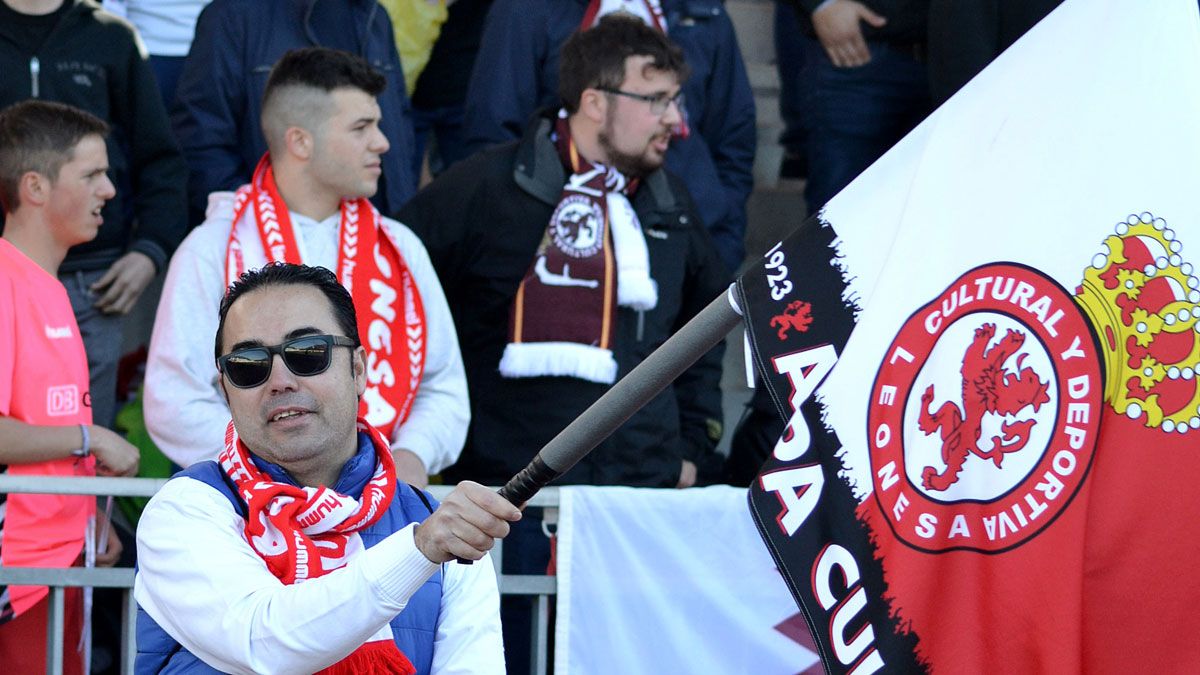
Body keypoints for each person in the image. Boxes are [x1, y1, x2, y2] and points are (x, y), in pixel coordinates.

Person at [399, 15, 728, 670]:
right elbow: (397, 292)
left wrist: (693, 443)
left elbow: (706, 328)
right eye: (656, 99)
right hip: (510, 508)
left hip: (636, 509)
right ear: (595, 101)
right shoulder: (485, 187)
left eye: (675, 100)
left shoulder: (670, 200)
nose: (676, 120)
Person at [135, 262, 517, 674]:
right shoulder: (185, 508)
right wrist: (418, 551)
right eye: (248, 364)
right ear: (226, 389)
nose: (279, 380)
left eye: (307, 353)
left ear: (358, 370)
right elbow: (263, 640)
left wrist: (424, 544)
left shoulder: (437, 527)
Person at [144, 47, 468, 488]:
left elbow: (444, 387)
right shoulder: (212, 247)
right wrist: (280, 469)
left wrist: (411, 456)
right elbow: (173, 400)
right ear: (300, 141)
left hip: (382, 502)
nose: (383, 142)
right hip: (252, 513)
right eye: (361, 127)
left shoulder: (400, 246)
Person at [0, 0, 190, 432]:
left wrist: (150, 249)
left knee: (87, 444)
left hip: (95, 284)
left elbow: (161, 159)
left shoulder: (111, 36)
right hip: (3, 275)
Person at [0, 99, 140, 675]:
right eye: (90, 175)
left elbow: (43, 431)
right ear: (35, 186)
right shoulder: (5, 281)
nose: (108, 189)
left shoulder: (49, 286)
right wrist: (91, 438)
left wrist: (91, 516)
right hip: (19, 576)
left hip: (60, 563)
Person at [461, 0, 755, 274]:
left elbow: (734, 136)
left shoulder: (703, 10)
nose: (671, 117)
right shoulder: (526, 8)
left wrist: (723, 245)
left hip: (685, 242)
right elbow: (492, 129)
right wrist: (520, 245)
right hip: (557, 248)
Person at [172, 0, 418, 226]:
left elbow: (399, 123)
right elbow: (201, 137)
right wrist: (254, 221)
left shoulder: (374, 14)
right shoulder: (234, 15)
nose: (380, 143)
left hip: (376, 234)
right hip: (269, 246)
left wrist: (399, 218)